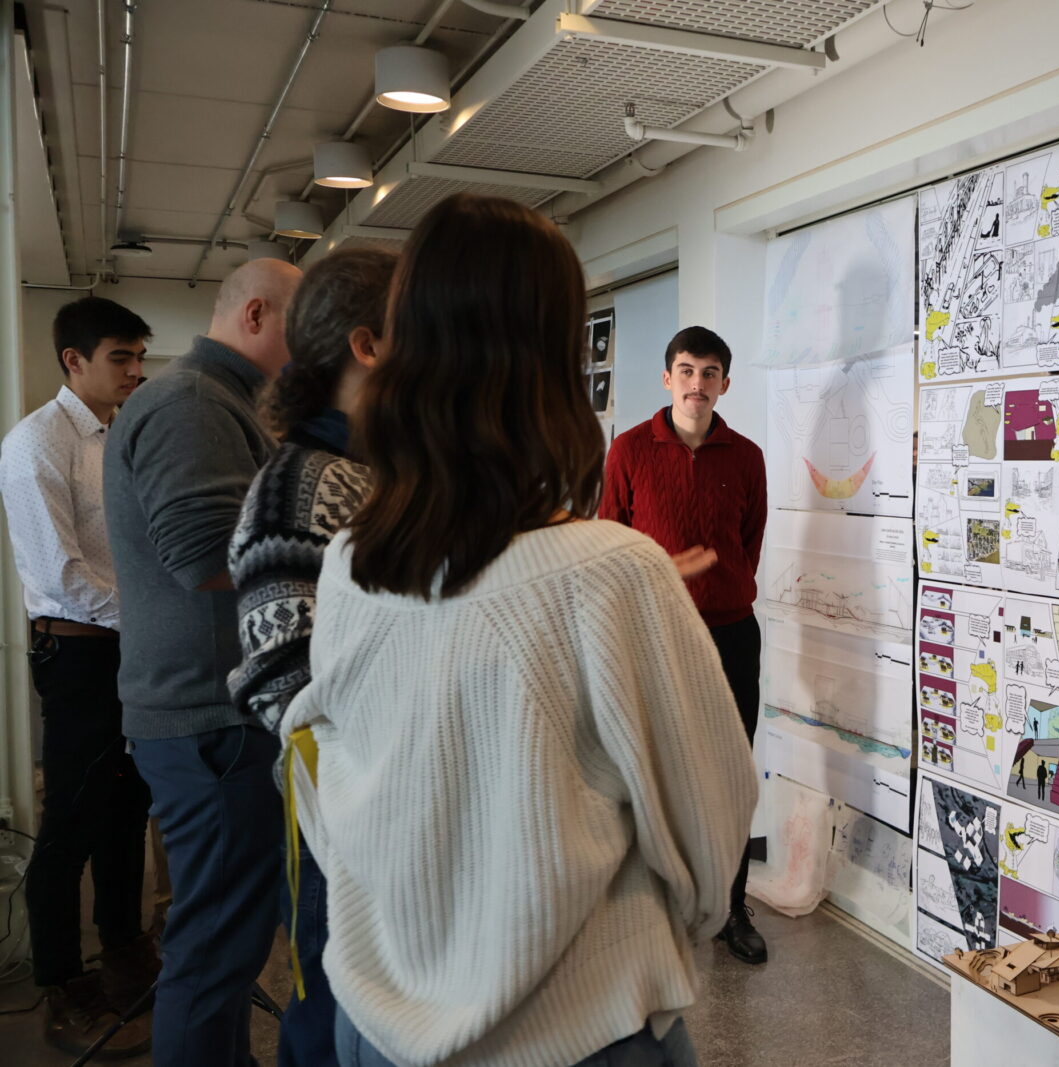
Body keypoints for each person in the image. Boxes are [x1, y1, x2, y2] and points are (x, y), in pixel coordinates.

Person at [278, 193, 756, 1067]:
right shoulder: (612, 572)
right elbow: (710, 823)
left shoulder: (350, 561)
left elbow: (329, 772)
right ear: (554, 360)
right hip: (577, 1030)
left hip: (378, 1022)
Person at [103, 257, 303, 1065]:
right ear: (255, 315)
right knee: (215, 949)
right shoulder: (192, 402)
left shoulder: (222, 400)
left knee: (230, 939)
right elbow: (203, 554)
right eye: (302, 327)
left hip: (217, 712)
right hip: (209, 717)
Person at [227, 248, 394, 1065]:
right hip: (343, 819)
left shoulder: (376, 469)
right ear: (369, 346)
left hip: (383, 810)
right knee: (330, 1018)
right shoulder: (300, 483)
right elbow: (279, 679)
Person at [0, 297, 157, 1056]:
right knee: (72, 817)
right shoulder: (37, 441)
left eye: (139, 357)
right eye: (121, 357)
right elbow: (61, 576)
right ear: (74, 360)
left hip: (129, 647)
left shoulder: (119, 435)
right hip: (80, 651)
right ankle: (63, 983)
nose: (135, 371)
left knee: (130, 805)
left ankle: (125, 951)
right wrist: (153, 620)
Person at [599, 324, 770, 966]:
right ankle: (654, 910)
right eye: (687, 371)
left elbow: (749, 541)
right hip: (654, 632)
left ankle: (730, 908)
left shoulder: (747, 456)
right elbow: (608, 543)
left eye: (710, 373)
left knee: (731, 774)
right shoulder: (629, 450)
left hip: (732, 633)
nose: (698, 384)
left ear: (725, 384)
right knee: (654, 772)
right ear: (668, 378)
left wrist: (722, 589)